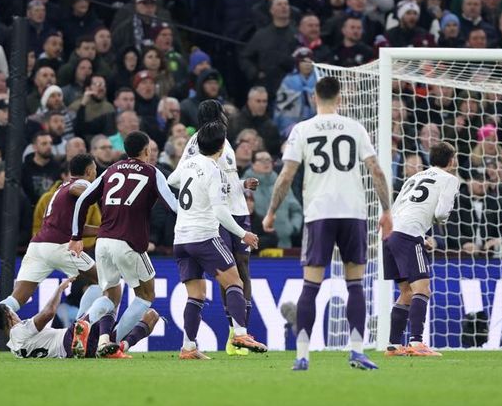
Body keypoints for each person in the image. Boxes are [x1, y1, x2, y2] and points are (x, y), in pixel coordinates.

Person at [263, 76, 392, 371]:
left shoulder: (302, 129)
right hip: (353, 212)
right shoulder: (355, 128)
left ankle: (303, 355)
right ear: (340, 98)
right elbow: (376, 171)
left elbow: (286, 176)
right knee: (355, 284)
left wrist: (271, 212)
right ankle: (357, 351)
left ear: (314, 99)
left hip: (319, 212)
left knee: (311, 285)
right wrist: (387, 210)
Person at [71, 131, 178, 358]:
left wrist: (76, 235)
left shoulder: (111, 170)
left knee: (111, 296)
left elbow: (82, 199)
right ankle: (114, 342)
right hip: (128, 242)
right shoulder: (152, 172)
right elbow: (174, 206)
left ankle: (85, 321)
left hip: (103, 242)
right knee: (146, 294)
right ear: (147, 151)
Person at [167, 122, 266, 360]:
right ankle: (240, 333)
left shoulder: (188, 163)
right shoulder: (213, 169)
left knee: (197, 294)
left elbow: (171, 181)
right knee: (235, 282)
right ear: (222, 146)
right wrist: (244, 234)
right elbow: (221, 212)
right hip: (203, 237)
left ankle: (188, 347)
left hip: (180, 238)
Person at [0, 154, 101, 318]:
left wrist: (103, 230)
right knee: (106, 281)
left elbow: (73, 227)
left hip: (38, 246)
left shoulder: (60, 188)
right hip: (59, 246)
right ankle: (81, 328)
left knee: (17, 298)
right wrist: (99, 194)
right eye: (95, 170)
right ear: (89, 171)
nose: (96, 174)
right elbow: (77, 190)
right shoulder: (81, 183)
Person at [383, 142, 458, 358]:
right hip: (408, 234)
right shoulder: (449, 179)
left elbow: (397, 207)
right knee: (422, 289)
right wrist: (426, 228)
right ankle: (416, 342)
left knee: (406, 292)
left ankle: (394, 345)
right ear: (451, 161)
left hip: (390, 235)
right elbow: (442, 213)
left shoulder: (414, 177)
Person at [0, 278, 159, 359]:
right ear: (8, 315)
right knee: (104, 303)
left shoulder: (14, 348)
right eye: (13, 311)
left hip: (78, 345)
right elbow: (48, 313)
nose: (16, 313)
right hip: (69, 340)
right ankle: (106, 342)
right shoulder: (20, 331)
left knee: (152, 317)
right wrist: (60, 289)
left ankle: (115, 345)